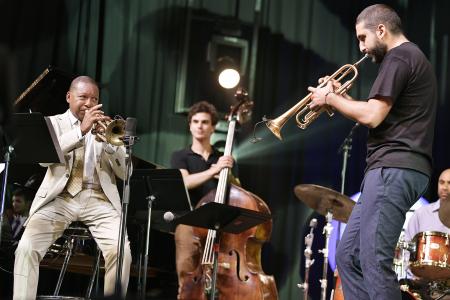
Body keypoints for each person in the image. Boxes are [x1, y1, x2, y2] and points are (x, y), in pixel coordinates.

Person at [308, 4, 437, 300]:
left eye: (363, 38)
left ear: (381, 30)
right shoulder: (408, 58)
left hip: (394, 168)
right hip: (391, 169)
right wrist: (340, 98)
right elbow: (380, 113)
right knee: (348, 257)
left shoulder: (400, 56)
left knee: (374, 261)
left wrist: (329, 97)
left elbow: (372, 116)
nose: (362, 48)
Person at [13, 76, 132, 299]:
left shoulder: (106, 128)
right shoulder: (53, 123)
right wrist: (81, 132)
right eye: (83, 97)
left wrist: (110, 146)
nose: (89, 103)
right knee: (26, 248)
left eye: (94, 98)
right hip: (60, 198)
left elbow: (126, 173)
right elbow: (44, 159)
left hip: (99, 199)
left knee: (121, 251)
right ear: (69, 97)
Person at [170, 101, 234, 291]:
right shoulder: (180, 156)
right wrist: (213, 170)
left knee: (220, 281)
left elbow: (234, 192)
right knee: (187, 278)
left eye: (205, 122)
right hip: (189, 221)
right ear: (189, 126)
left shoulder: (223, 158)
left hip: (217, 224)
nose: (199, 126)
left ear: (213, 127)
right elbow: (185, 183)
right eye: (195, 121)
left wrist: (227, 172)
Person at [405, 168, 450, 240]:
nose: (444, 187)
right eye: (441, 182)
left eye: (449, 183)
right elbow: (407, 244)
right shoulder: (421, 213)